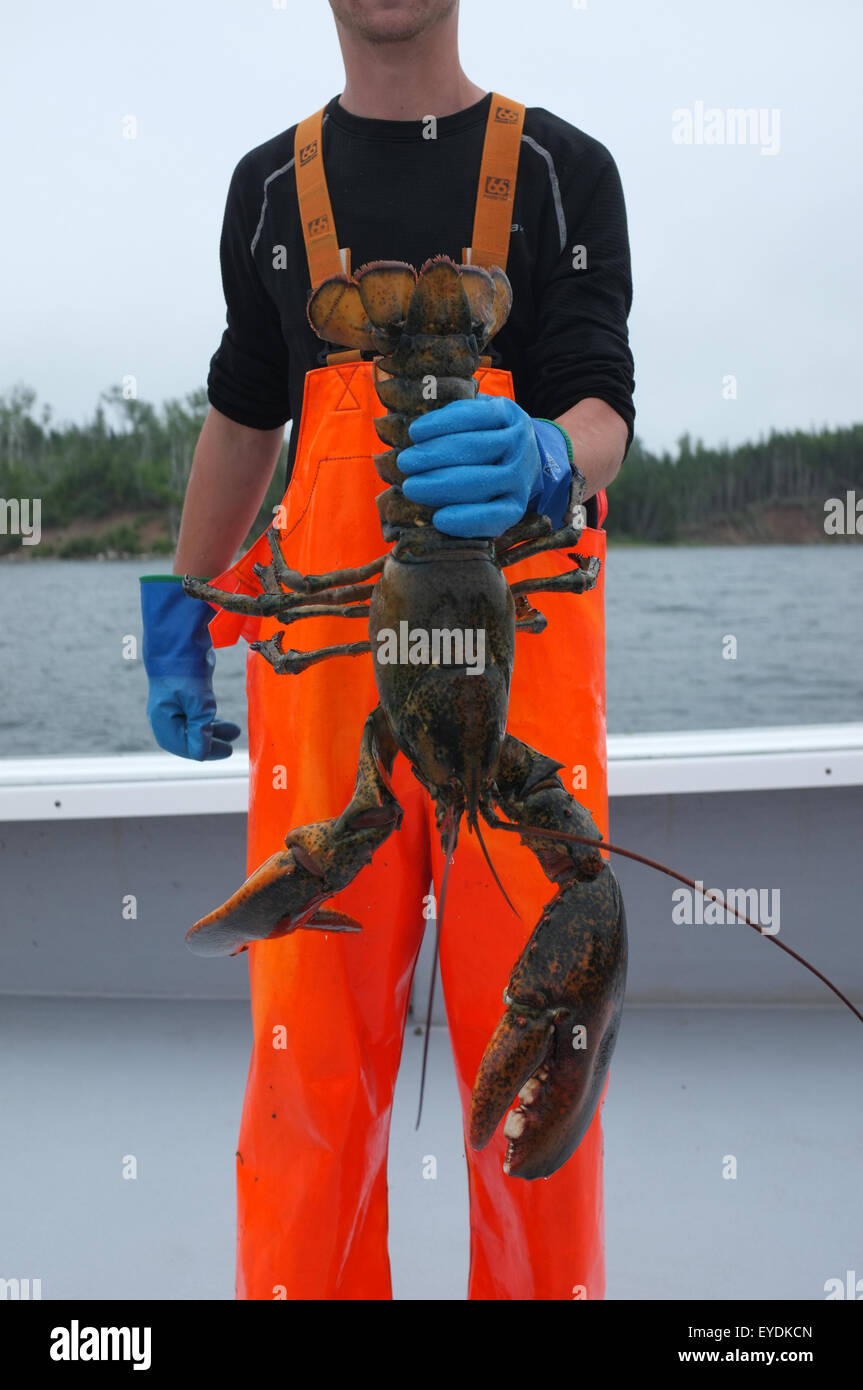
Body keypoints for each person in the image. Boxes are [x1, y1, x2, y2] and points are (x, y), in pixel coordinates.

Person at [141, 0, 635, 1301]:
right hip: (331, 702)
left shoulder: (558, 168)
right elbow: (249, 407)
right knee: (310, 1073)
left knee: (540, 1040)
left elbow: (598, 403)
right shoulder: (268, 189)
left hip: (512, 700)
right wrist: (185, 606)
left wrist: (547, 452)